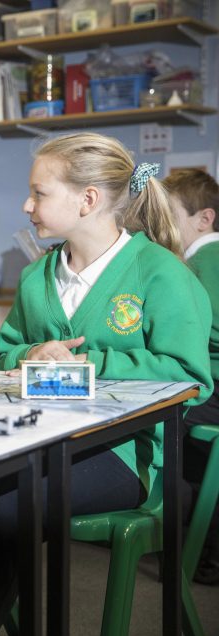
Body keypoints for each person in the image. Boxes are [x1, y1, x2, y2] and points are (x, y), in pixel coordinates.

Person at [0, 132, 213, 636]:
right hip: (31, 436)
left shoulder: (161, 273)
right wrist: (31, 354)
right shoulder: (37, 277)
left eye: (39, 193)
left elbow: (188, 378)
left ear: (87, 199)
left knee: (5, 514)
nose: (26, 204)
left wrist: (88, 364)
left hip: (122, 452)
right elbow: (5, 352)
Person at [163, 168, 219, 585]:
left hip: (212, 390)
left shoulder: (204, 261)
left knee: (157, 418)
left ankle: (202, 548)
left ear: (205, 219)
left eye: (170, 216)